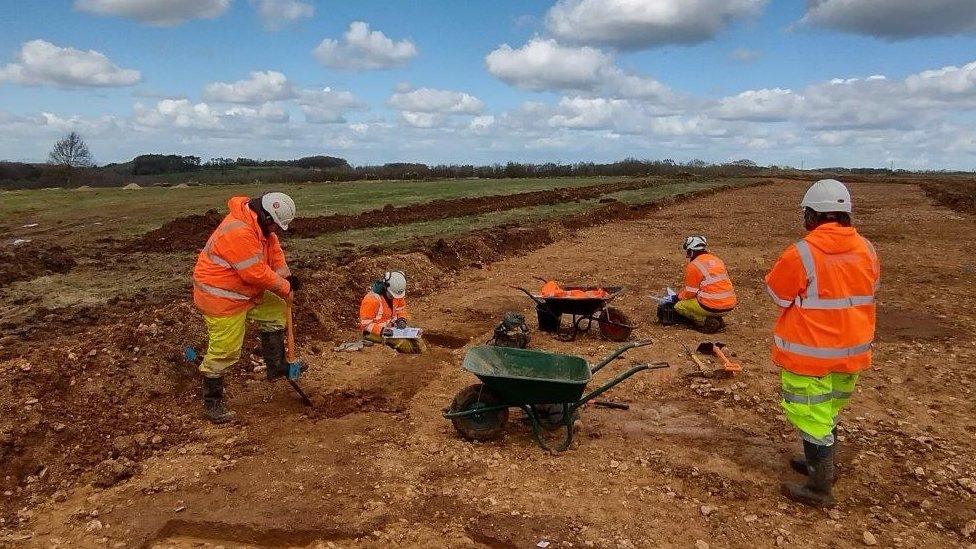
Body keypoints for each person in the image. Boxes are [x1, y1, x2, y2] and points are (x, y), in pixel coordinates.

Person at [765, 179, 880, 507]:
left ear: (813, 215)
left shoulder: (802, 252)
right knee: (826, 411)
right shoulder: (867, 250)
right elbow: (869, 289)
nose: (805, 220)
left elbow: (777, 293)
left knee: (811, 414)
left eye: (806, 214)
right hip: (851, 353)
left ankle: (819, 486)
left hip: (809, 354)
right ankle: (820, 464)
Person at [192, 192, 299, 423]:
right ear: (267, 217)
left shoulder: (260, 225)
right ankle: (212, 402)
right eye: (275, 225)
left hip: (244, 291)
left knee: (275, 310)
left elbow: (274, 252)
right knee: (225, 351)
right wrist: (284, 287)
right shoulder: (239, 231)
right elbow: (255, 273)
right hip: (222, 298)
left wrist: (287, 278)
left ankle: (277, 365)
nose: (276, 231)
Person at [661, 235, 737, 333]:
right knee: (702, 300)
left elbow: (690, 293)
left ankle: (706, 322)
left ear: (691, 251)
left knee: (679, 306)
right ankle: (718, 319)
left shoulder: (694, 265)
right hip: (729, 305)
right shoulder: (717, 260)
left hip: (712, 306)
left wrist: (677, 297)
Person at [359, 271, 426, 354]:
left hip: (392, 327)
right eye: (392, 295)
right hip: (372, 332)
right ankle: (413, 360)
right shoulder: (371, 300)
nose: (395, 298)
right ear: (385, 287)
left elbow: (401, 309)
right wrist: (382, 330)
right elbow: (365, 324)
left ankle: (421, 355)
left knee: (417, 338)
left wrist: (401, 319)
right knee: (404, 344)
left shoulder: (397, 294)